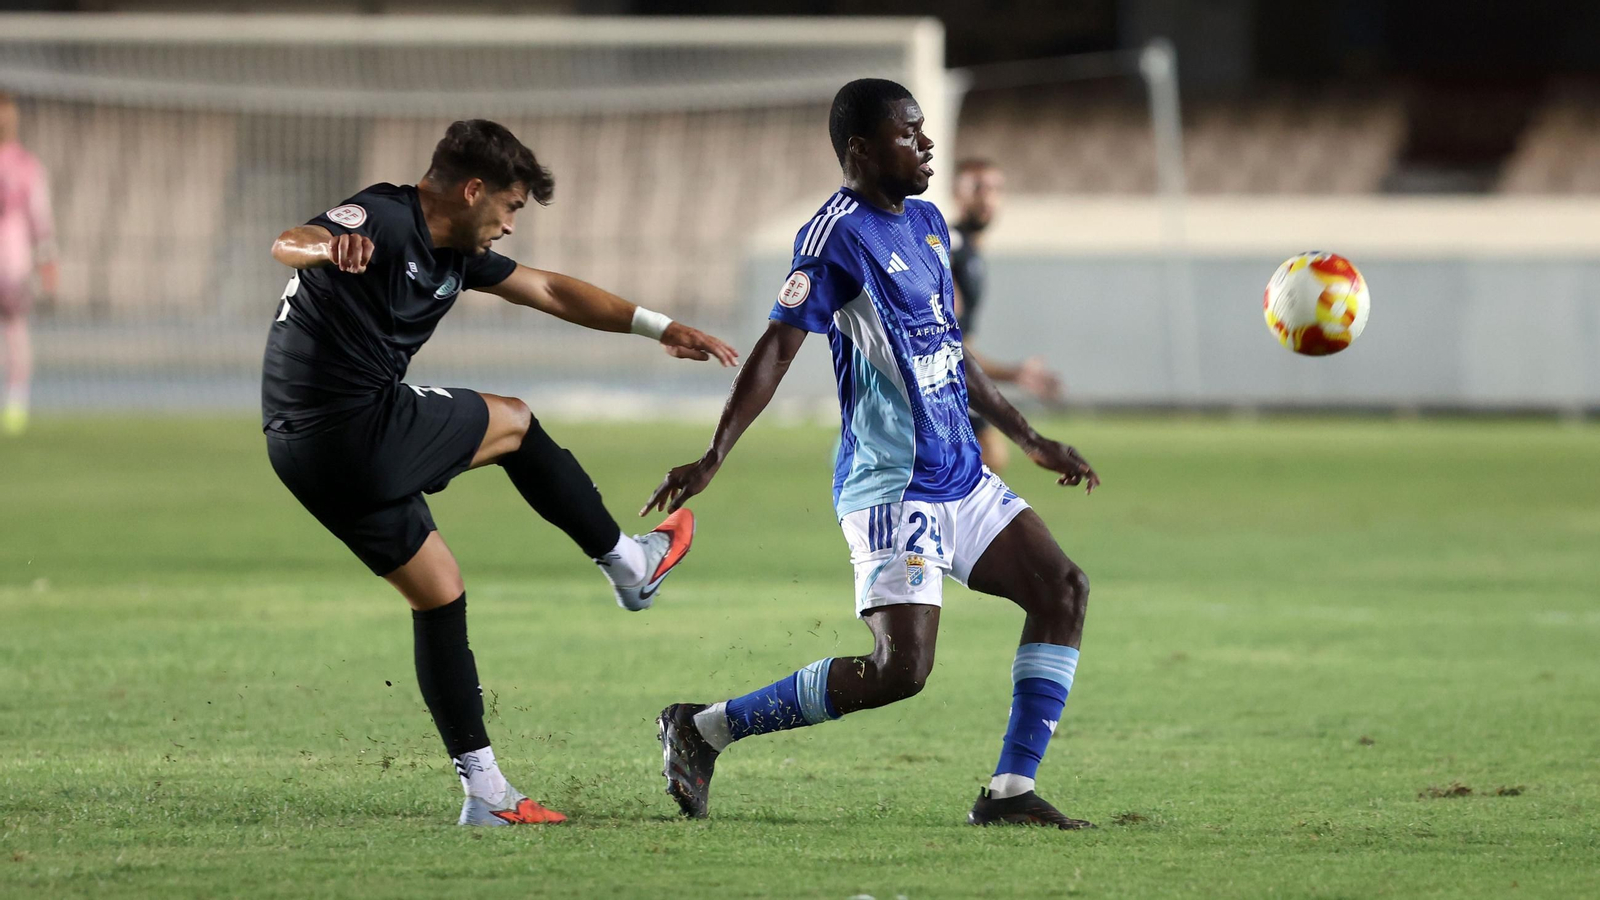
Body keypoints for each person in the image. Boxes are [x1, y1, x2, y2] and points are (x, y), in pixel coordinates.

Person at [644, 80, 1101, 829]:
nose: (925, 145)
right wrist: (714, 452)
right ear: (861, 149)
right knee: (901, 672)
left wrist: (1028, 437)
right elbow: (777, 349)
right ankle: (703, 730)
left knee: (1063, 590)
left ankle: (1009, 793)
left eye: (924, 132)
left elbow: (951, 350)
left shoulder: (926, 222)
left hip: (962, 475)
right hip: (894, 487)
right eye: (908, 133)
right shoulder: (833, 238)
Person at [262, 119, 738, 826]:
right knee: (512, 419)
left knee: (439, 594)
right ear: (474, 189)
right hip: (348, 428)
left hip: (303, 455)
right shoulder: (388, 218)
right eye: (510, 207)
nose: (511, 225)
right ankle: (629, 564)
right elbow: (287, 242)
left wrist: (656, 325)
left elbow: (548, 290)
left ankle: (485, 793)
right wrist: (330, 245)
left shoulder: (456, 250)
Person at [949, 158, 1064, 474]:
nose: (986, 197)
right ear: (955, 192)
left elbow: (959, 344)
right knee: (986, 458)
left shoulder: (971, 251)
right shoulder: (950, 248)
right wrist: (1012, 373)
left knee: (988, 459)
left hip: (952, 377)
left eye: (995, 188)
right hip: (937, 382)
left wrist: (1013, 374)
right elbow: (944, 343)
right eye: (977, 188)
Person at [0, 91, 57, 436]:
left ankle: (17, 401)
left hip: (13, 263)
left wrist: (47, 259)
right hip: (15, 260)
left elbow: (40, 216)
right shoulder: (25, 164)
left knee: (16, 329)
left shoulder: (27, 165)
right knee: (16, 330)